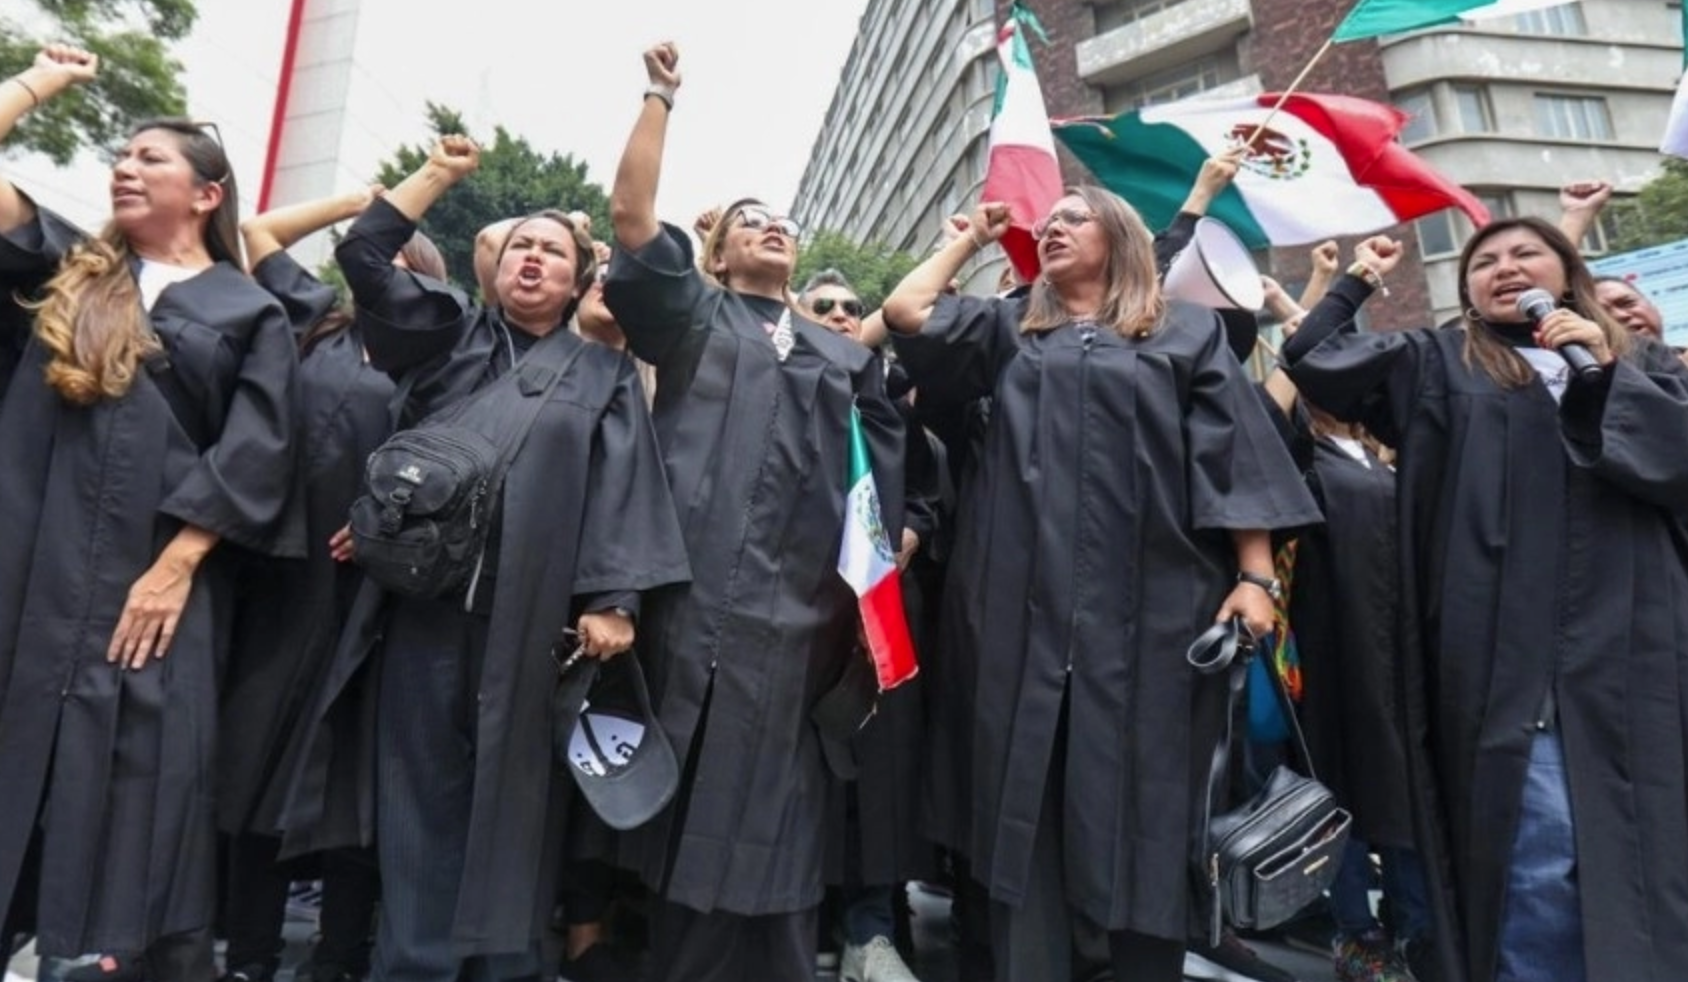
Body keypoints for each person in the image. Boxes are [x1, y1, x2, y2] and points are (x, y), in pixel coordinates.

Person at [278, 135, 690, 982]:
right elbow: (363, 252)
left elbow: (626, 483)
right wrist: (436, 175)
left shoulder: (602, 374)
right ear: (496, 267)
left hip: (533, 621)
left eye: (555, 251)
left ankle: (504, 967)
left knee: (515, 810)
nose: (534, 260)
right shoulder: (444, 334)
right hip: (423, 620)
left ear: (581, 281)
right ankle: (414, 967)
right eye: (521, 247)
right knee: (418, 803)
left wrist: (617, 599)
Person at [880, 188, 1320, 982]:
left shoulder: (1185, 333)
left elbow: (1232, 456)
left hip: (1152, 610)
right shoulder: (1009, 327)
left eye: (1073, 217)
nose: (1052, 226)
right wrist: (972, 240)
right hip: (1017, 607)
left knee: (1145, 804)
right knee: (1022, 804)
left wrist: (1256, 576)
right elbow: (907, 311)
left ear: (1118, 237)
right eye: (1046, 221)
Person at [1281, 215, 1688, 982]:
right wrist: (1360, 277)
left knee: (1642, 845)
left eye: (1525, 254)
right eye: (1483, 261)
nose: (1503, 267)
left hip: (1628, 638)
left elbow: (1675, 466)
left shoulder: (1633, 359)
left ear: (1567, 272)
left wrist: (1608, 372)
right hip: (1501, 642)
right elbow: (1314, 358)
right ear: (1465, 291)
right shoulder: (1436, 361)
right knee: (1538, 848)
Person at [0, 47, 304, 982]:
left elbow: (258, 451)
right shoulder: (73, 272)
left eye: (151, 158)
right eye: (119, 157)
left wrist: (175, 568)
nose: (125, 167)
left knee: (140, 797)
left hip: (159, 593)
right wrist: (40, 85)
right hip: (31, 573)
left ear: (207, 194)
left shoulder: (250, 312)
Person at [602, 42, 905, 982]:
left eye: (782, 220)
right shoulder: (693, 314)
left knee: (780, 812)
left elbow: (878, 495)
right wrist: (659, 98)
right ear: (720, 249)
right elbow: (629, 218)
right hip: (686, 599)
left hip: (802, 618)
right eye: (748, 220)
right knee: (682, 811)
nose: (771, 227)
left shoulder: (846, 358)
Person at [216, 186, 441, 982]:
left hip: (370, 601)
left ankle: (340, 959)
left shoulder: (439, 365)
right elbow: (258, 229)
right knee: (254, 769)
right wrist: (375, 201)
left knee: (350, 789)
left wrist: (390, 520)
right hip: (279, 583)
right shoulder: (313, 322)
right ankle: (248, 958)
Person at [1260, 255, 1433, 982]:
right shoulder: (1298, 461)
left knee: (1409, 795)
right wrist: (1300, 299)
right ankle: (1356, 930)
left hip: (1405, 659)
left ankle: (1420, 928)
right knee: (1341, 795)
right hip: (1333, 660)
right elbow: (1273, 403)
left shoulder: (1389, 460)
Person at [797, 270, 936, 982]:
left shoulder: (892, 400)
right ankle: (809, 920)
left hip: (880, 611)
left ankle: (871, 929)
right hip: (796, 612)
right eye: (824, 306)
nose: (843, 315)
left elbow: (927, 493)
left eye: (855, 307)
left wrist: (909, 530)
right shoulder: (777, 383)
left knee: (878, 777)